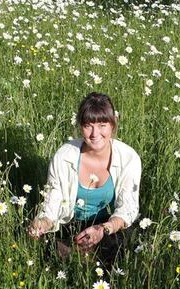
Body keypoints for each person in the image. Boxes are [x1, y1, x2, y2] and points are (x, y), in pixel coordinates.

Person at [27, 92, 141, 266]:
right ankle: (80, 256)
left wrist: (103, 229)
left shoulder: (128, 158)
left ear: (113, 125)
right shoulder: (64, 156)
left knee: (121, 249)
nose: (95, 134)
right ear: (80, 126)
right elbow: (53, 202)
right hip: (72, 223)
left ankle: (90, 259)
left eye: (102, 125)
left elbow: (127, 209)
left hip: (108, 224)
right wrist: (43, 222)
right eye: (88, 126)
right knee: (52, 254)